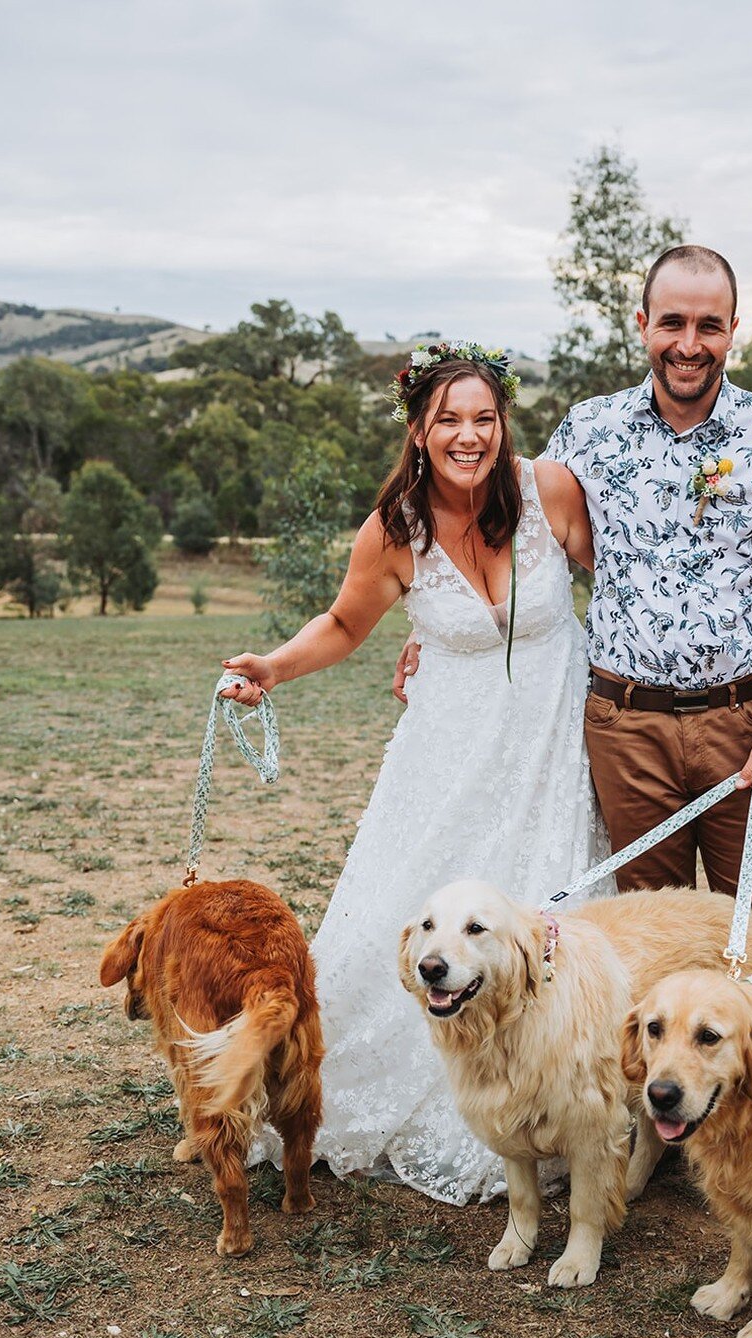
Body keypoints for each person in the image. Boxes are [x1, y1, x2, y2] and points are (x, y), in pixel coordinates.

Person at [219, 342, 603, 1204]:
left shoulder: (550, 492)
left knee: (550, 928)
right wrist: (276, 667)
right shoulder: (397, 528)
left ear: (504, 424)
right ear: (419, 432)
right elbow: (343, 623)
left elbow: (620, 582)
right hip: (446, 760)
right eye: (448, 422)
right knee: (410, 921)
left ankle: (555, 1099)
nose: (469, 437)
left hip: (550, 752)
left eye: (484, 419)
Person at [397, 247, 752, 930]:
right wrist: (432, 625)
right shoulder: (587, 431)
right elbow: (511, 530)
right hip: (623, 730)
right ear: (642, 324)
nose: (689, 345)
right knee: (647, 937)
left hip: (742, 725)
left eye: (709, 326)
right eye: (672, 323)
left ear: (733, 329)